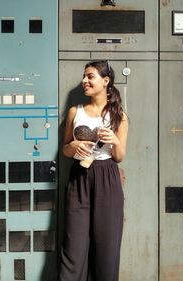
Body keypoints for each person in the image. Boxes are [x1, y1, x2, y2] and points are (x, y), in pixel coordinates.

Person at [59, 60, 129, 281]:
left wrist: (115, 140)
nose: (84, 81)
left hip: (108, 176)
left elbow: (119, 156)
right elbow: (65, 150)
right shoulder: (74, 111)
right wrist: (73, 146)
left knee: (107, 247)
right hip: (79, 176)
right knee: (74, 247)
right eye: (84, 76)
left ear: (105, 81)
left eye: (90, 76)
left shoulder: (120, 116)